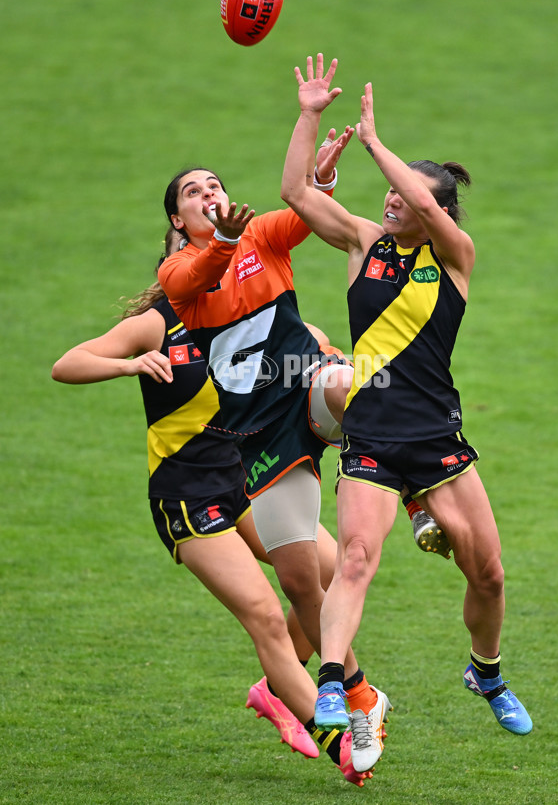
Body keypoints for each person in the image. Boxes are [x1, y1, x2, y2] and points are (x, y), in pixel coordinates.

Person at [51, 229, 372, 786]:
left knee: (329, 570)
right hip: (190, 494)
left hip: (246, 477)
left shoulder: (248, 314)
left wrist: (332, 370)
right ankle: (340, 735)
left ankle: (279, 686)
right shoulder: (159, 321)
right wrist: (131, 365)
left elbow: (312, 347)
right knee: (267, 617)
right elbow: (67, 363)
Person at [280, 53, 533, 738]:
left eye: (402, 194)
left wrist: (375, 143)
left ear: (442, 212)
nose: (389, 199)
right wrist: (309, 117)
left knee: (488, 573)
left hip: (437, 438)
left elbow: (422, 199)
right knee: (356, 559)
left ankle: (486, 671)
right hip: (371, 437)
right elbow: (297, 195)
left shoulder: (455, 256)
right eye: (387, 190)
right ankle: (331, 684)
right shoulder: (366, 243)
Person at [156, 138, 391, 772]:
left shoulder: (261, 235)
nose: (209, 193)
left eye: (215, 184)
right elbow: (196, 276)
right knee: (306, 580)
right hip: (256, 443)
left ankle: (406, 489)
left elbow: (307, 209)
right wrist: (225, 244)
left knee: (349, 383)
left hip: (305, 393)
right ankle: (287, 686)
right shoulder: (174, 277)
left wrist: (318, 163)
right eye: (193, 192)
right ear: (178, 220)